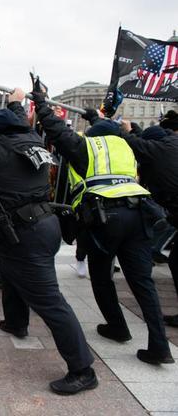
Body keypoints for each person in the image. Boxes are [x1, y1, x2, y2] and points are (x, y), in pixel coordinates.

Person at [0, 88, 97, 395]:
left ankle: (83, 369)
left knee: (50, 302)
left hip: (25, 234)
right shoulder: (31, 140)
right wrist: (17, 103)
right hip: (41, 226)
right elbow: (17, 120)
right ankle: (16, 322)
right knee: (10, 271)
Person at [33, 84, 174, 365]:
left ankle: (117, 327)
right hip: (139, 214)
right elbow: (108, 130)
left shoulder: (85, 145)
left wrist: (41, 104)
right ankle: (160, 346)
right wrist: (95, 117)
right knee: (143, 282)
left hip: (104, 217)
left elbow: (58, 132)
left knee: (101, 275)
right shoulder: (124, 144)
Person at [119, 111, 178, 328]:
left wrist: (125, 130)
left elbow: (135, 142)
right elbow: (145, 139)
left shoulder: (157, 150)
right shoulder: (170, 144)